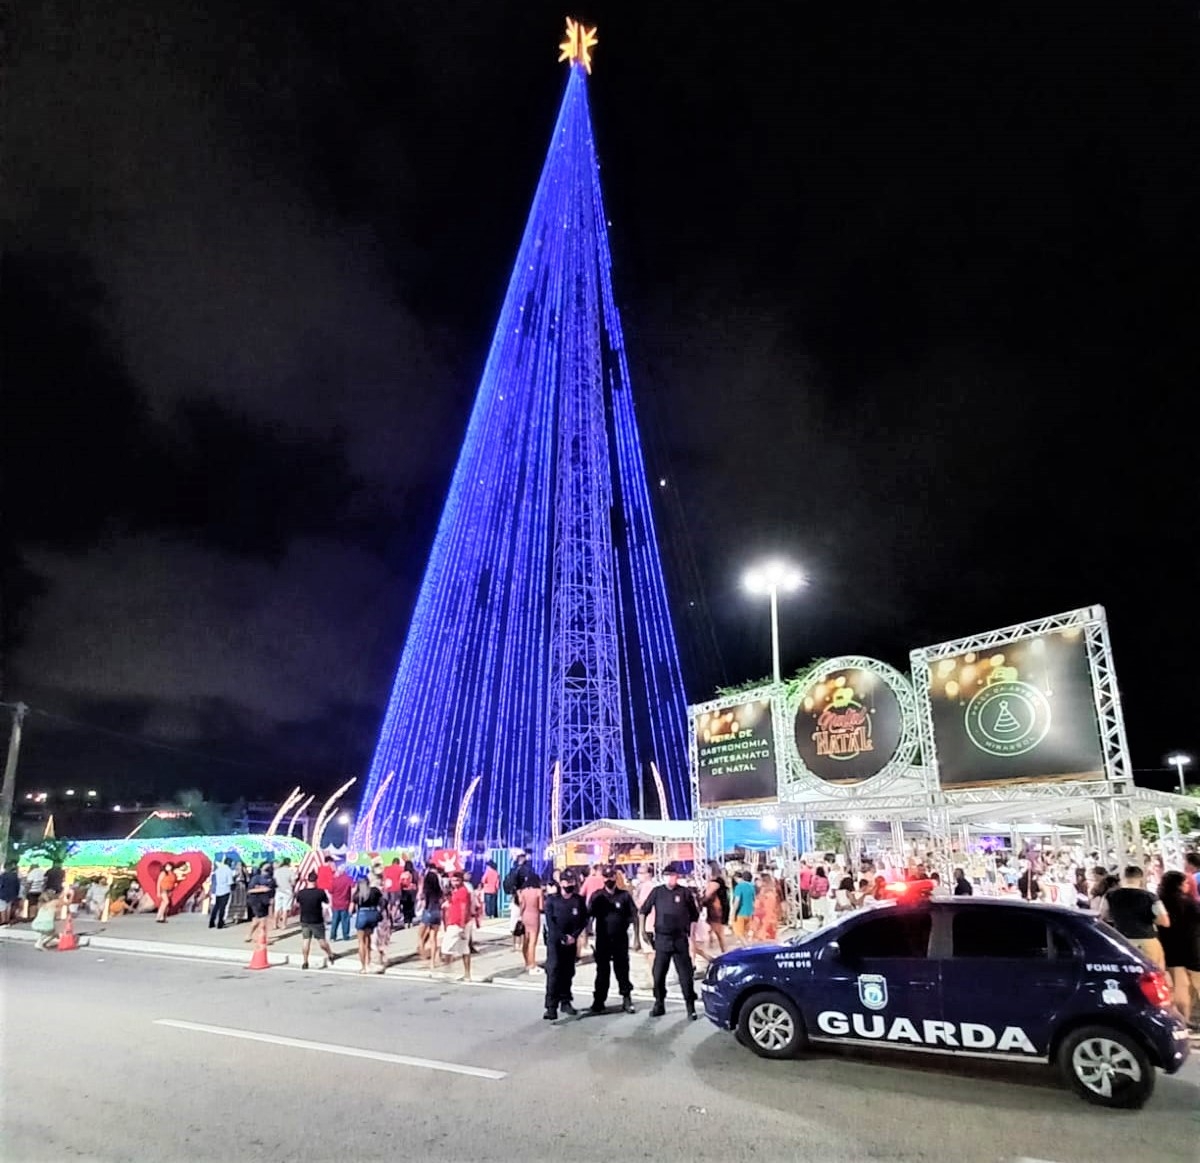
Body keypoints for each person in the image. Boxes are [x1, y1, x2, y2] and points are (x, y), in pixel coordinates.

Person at [641, 863, 700, 1018]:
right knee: (659, 974)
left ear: (677, 876)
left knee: (685, 975)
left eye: (672, 875)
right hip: (662, 939)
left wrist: (691, 935)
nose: (670, 878)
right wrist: (642, 930)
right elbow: (643, 910)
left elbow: (694, 915)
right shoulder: (657, 892)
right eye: (667, 875)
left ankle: (690, 1006)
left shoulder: (684, 892)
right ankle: (659, 1003)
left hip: (680, 938)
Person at [1099, 865, 1170, 969]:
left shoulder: (1110, 896)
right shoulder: (1150, 897)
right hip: (1147, 940)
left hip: (1122, 941)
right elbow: (1165, 921)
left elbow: (1102, 916)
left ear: (1122, 878)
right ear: (1140, 878)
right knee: (1154, 972)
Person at [588, 868, 637, 1014]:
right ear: (603, 879)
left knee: (622, 970)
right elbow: (589, 914)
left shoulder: (624, 896)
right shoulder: (597, 896)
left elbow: (633, 915)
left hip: (620, 939)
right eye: (606, 877)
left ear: (616, 878)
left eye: (611, 877)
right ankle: (599, 1001)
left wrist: (634, 934)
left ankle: (626, 999)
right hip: (603, 939)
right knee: (602, 971)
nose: (609, 880)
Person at [543, 870, 588, 1020]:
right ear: (561, 883)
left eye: (571, 882)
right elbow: (550, 923)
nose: (569, 885)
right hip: (555, 942)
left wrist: (573, 936)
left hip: (571, 941)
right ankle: (551, 1006)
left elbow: (583, 920)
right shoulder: (552, 900)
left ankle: (566, 1001)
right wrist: (562, 937)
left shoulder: (578, 900)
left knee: (568, 972)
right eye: (566, 882)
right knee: (554, 972)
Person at [1158, 870, 1199, 1026]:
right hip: (1192, 946)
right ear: (1179, 885)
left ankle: (1184, 1020)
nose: (1187, 885)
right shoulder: (1189, 903)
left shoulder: (1160, 901)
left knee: (1180, 987)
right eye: (1185, 883)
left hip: (1171, 948)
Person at [295, 871, 334, 970]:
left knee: (306, 941)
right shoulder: (320, 892)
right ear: (316, 881)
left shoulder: (301, 892)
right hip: (317, 920)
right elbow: (327, 902)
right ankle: (330, 954)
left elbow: (297, 905)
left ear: (307, 880)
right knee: (322, 941)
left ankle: (305, 961)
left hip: (304, 919)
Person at [441, 870, 474, 981]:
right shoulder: (455, 891)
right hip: (457, 922)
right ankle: (466, 974)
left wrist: (462, 926)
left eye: (457, 880)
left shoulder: (463, 891)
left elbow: (464, 908)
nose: (455, 882)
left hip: (459, 923)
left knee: (446, 946)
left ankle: (448, 970)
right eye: (453, 880)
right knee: (464, 949)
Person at [352, 875, 383, 974]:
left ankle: (363, 967)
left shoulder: (358, 895)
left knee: (361, 941)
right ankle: (368, 961)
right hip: (372, 914)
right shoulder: (374, 891)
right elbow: (382, 902)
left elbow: (353, 906)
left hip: (362, 914)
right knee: (368, 938)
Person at [417, 867, 444, 968]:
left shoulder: (426, 890)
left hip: (428, 911)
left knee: (420, 935)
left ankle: (422, 953)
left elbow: (422, 901)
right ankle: (432, 962)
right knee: (433, 938)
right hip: (437, 912)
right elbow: (441, 900)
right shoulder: (439, 891)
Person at [518, 871, 544, 973]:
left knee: (526, 941)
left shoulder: (523, 891)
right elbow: (541, 907)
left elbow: (522, 905)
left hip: (525, 916)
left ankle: (527, 962)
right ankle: (532, 964)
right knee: (533, 942)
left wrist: (520, 916)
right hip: (534, 916)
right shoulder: (538, 891)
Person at [245, 862, 275, 943]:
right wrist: (262, 889)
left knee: (257, 920)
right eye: (266, 868)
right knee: (263, 920)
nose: (268, 870)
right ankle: (263, 938)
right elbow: (250, 890)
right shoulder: (256, 878)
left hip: (265, 901)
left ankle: (249, 935)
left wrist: (271, 899)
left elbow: (272, 890)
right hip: (256, 900)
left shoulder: (271, 879)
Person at [329, 863, 354, 943]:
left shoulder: (334, 880)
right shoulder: (349, 879)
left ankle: (333, 936)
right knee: (345, 920)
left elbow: (330, 891)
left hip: (336, 903)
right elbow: (353, 889)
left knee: (334, 921)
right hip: (345, 903)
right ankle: (345, 936)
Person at [729, 870, 755, 942]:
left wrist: (733, 913)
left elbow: (737, 901)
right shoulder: (752, 887)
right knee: (745, 934)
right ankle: (748, 948)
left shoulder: (739, 887)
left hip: (740, 913)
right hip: (750, 913)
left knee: (739, 934)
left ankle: (748, 949)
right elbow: (754, 900)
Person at [209, 859, 233, 929]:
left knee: (216, 907)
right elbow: (230, 882)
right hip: (225, 890)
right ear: (229, 863)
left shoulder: (218, 870)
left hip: (218, 890)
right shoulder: (229, 871)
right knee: (223, 908)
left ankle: (211, 922)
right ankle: (220, 923)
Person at [272, 857, 295, 929]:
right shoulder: (290, 872)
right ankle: (283, 925)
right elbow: (293, 883)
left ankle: (275, 924)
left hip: (278, 890)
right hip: (287, 891)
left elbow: (274, 881)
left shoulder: (276, 871)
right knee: (285, 908)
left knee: (277, 908)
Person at [0, 859, 20, 925]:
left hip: (2, 894)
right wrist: (16, 894)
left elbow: (1, 885)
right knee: (9, 907)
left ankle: (3, 921)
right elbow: (17, 886)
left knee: (2, 908)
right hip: (12, 894)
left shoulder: (2, 876)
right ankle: (8, 920)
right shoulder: (15, 876)